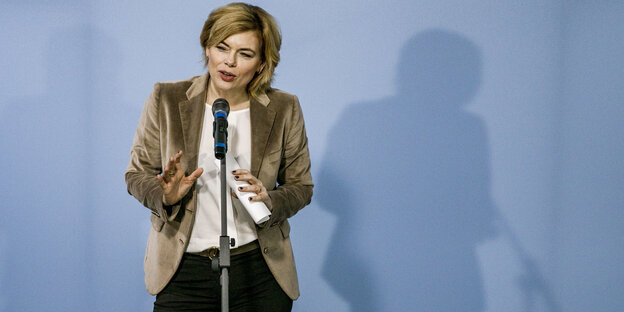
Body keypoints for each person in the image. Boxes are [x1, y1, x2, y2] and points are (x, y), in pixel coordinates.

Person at [125, 3, 313, 311]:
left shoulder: (284, 108)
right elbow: (135, 175)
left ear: (262, 63)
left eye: (245, 53)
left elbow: (301, 186)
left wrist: (270, 199)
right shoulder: (167, 98)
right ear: (207, 47)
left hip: (259, 269)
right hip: (184, 270)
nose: (229, 61)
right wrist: (165, 194)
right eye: (222, 47)